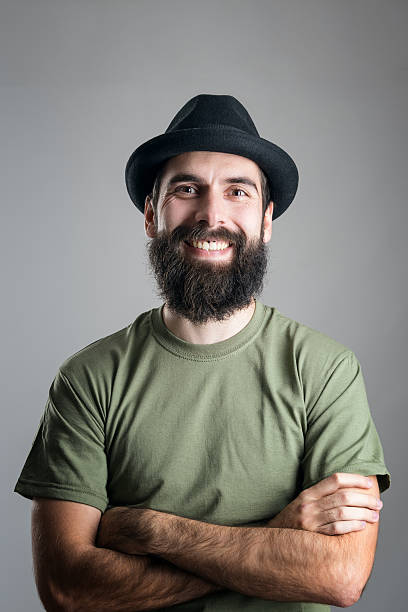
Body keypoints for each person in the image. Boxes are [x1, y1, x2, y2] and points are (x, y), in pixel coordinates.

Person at [14, 94, 391, 611]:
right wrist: (277, 538)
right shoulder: (88, 379)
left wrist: (149, 528)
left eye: (238, 191)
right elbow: (67, 589)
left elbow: (340, 575)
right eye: (187, 189)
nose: (212, 214)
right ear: (152, 214)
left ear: (266, 219)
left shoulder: (326, 372)